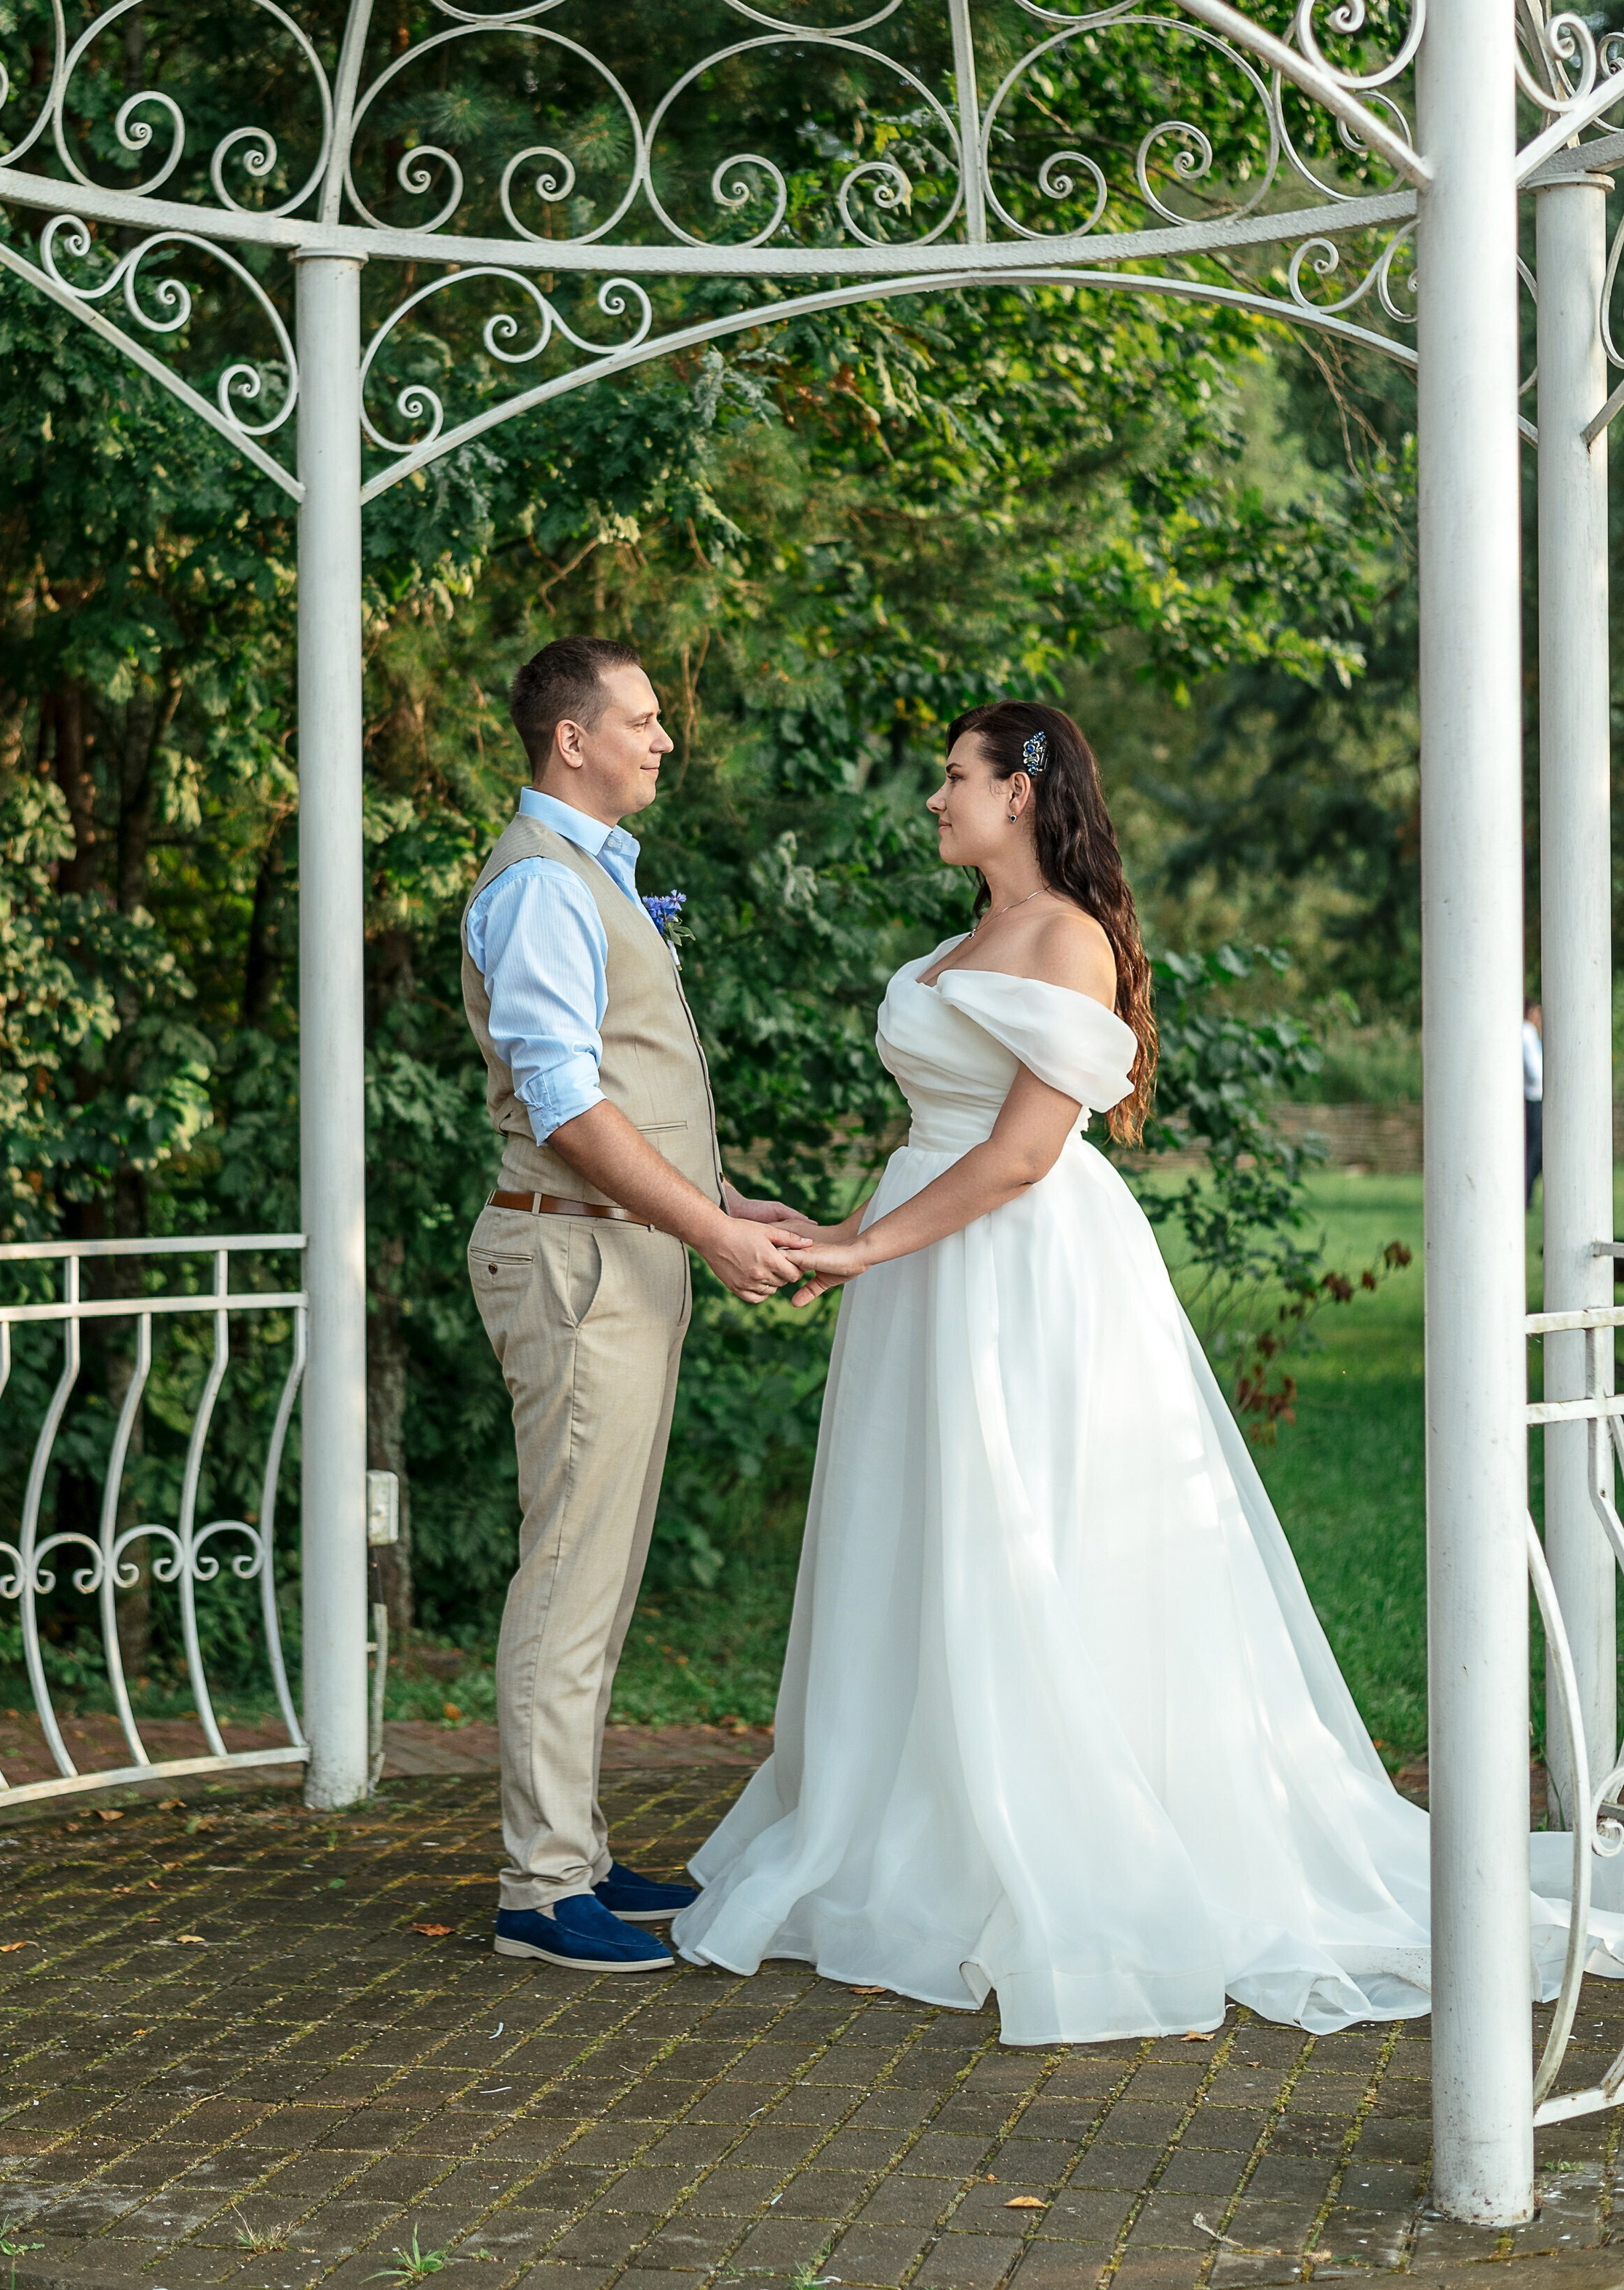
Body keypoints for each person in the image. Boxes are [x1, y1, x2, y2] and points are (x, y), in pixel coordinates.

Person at [674, 702, 1623, 2040]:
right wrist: (846, 1235)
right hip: (931, 1264)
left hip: (1022, 1263)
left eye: (955, 778)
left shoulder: (1066, 941)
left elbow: (1019, 1154)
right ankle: (919, 1809)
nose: (935, 800)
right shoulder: (962, 944)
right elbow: (945, 1126)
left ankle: (1071, 1822)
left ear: (1021, 792)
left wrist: (862, 1246)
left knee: (1038, 1529)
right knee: (929, 1531)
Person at [463, 636, 815, 1975]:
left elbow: (626, 1089)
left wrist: (731, 1202)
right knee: (566, 1571)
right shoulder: (545, 889)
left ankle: (578, 1849)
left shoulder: (584, 878)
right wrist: (711, 1228)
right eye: (645, 720)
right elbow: (565, 1105)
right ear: (573, 739)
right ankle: (541, 1890)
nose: (665, 740)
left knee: (595, 1573)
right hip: (578, 1260)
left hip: (618, 1253)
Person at [1525, 998, 1545, 1209]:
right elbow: (1535, 1072)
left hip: (1534, 1097)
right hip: (1533, 1098)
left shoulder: (1530, 1034)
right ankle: (1525, 1195)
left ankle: (1526, 1194)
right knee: (1535, 1150)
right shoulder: (1527, 1033)